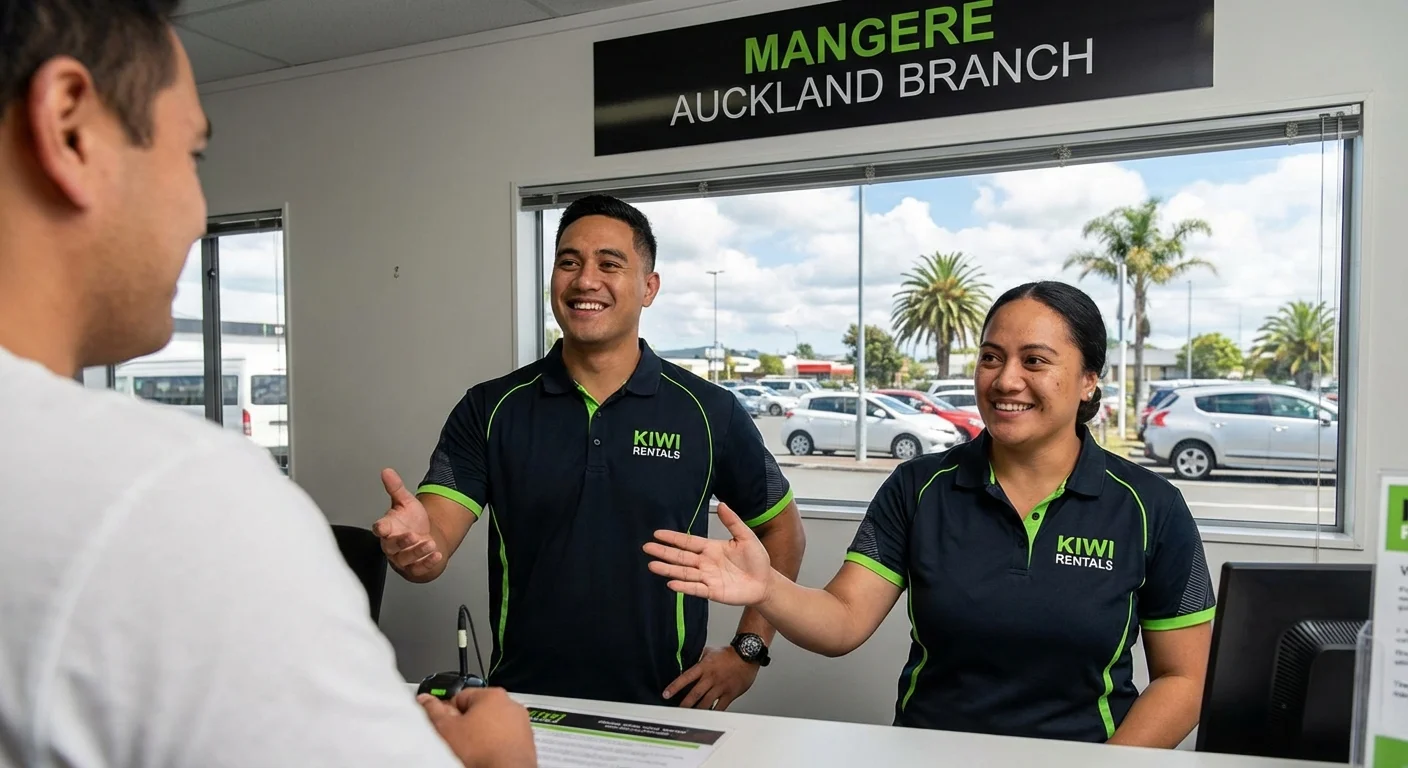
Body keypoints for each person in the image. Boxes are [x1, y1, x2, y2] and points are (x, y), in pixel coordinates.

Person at [0, 1, 534, 765]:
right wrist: (493, 758)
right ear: (71, 126)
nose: (196, 216)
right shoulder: (180, 497)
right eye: (192, 158)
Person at [645, 281, 1216, 746]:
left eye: (1034, 360)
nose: (1005, 379)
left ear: (1090, 380)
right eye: (991, 358)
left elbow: (1185, 679)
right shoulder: (920, 487)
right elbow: (843, 620)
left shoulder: (1149, 507)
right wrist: (766, 586)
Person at [374, 194, 806, 710]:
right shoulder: (491, 408)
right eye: (569, 262)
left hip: (666, 708)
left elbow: (783, 532)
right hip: (523, 708)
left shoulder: (709, 412)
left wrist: (747, 651)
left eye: (610, 263)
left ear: (649, 288)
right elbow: (433, 540)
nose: (585, 280)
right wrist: (417, 548)